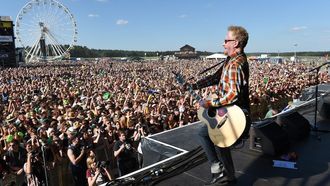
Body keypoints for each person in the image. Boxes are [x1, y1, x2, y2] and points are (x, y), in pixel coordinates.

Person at [190, 25, 250, 185]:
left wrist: (209, 103)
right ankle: (229, 177)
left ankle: (216, 168)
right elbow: (216, 78)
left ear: (235, 43)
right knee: (221, 143)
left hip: (234, 113)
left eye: (226, 40)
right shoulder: (233, 60)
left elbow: (232, 94)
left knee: (203, 133)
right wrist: (195, 85)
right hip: (232, 111)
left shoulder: (235, 64)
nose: (223, 43)